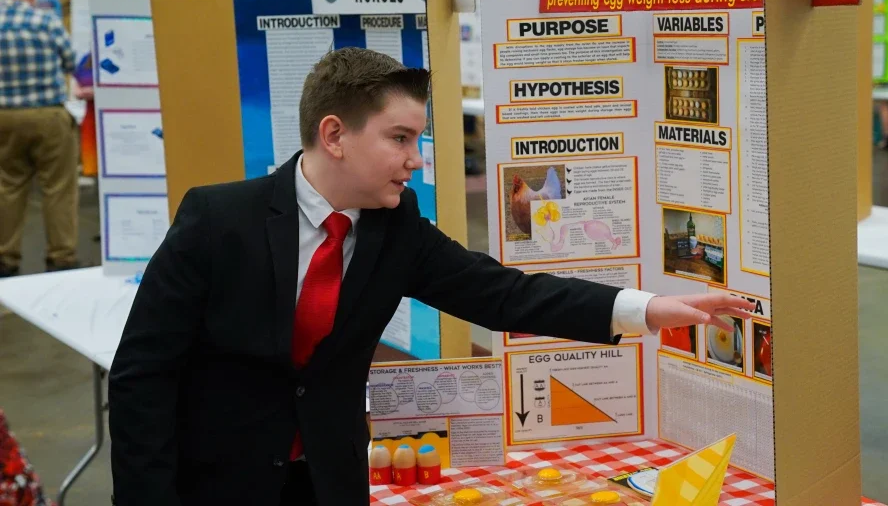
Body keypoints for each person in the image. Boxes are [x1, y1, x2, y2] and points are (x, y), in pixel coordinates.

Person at [108, 47, 752, 506]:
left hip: (328, 484)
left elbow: (504, 293)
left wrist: (646, 309)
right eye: (400, 138)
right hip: (216, 485)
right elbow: (143, 376)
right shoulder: (219, 220)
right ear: (334, 135)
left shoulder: (396, 228)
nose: (416, 161)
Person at [0, 0, 81, 277]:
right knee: (59, 188)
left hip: (5, 117)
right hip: (48, 116)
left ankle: (6, 260)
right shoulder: (45, 20)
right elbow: (71, 61)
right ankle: (61, 258)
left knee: (8, 186)